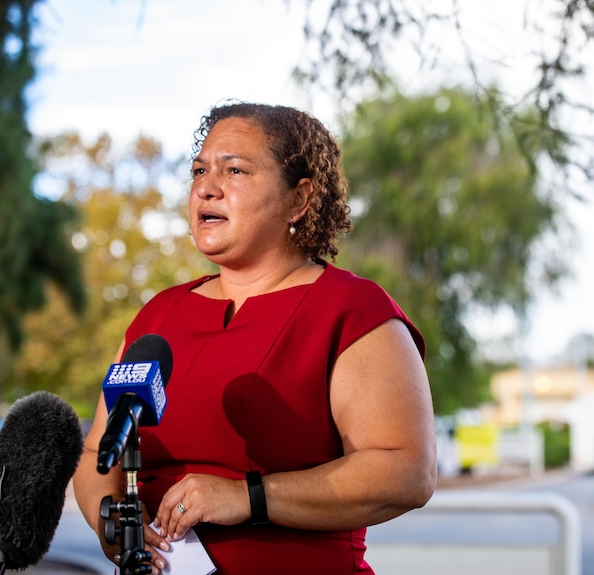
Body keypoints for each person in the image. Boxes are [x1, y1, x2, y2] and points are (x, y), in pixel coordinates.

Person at [72, 101, 437, 574]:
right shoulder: (158, 316)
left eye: (235, 170)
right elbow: (97, 453)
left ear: (298, 199)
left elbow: (406, 471)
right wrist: (111, 521)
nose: (206, 187)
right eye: (199, 170)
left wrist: (249, 497)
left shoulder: (351, 310)